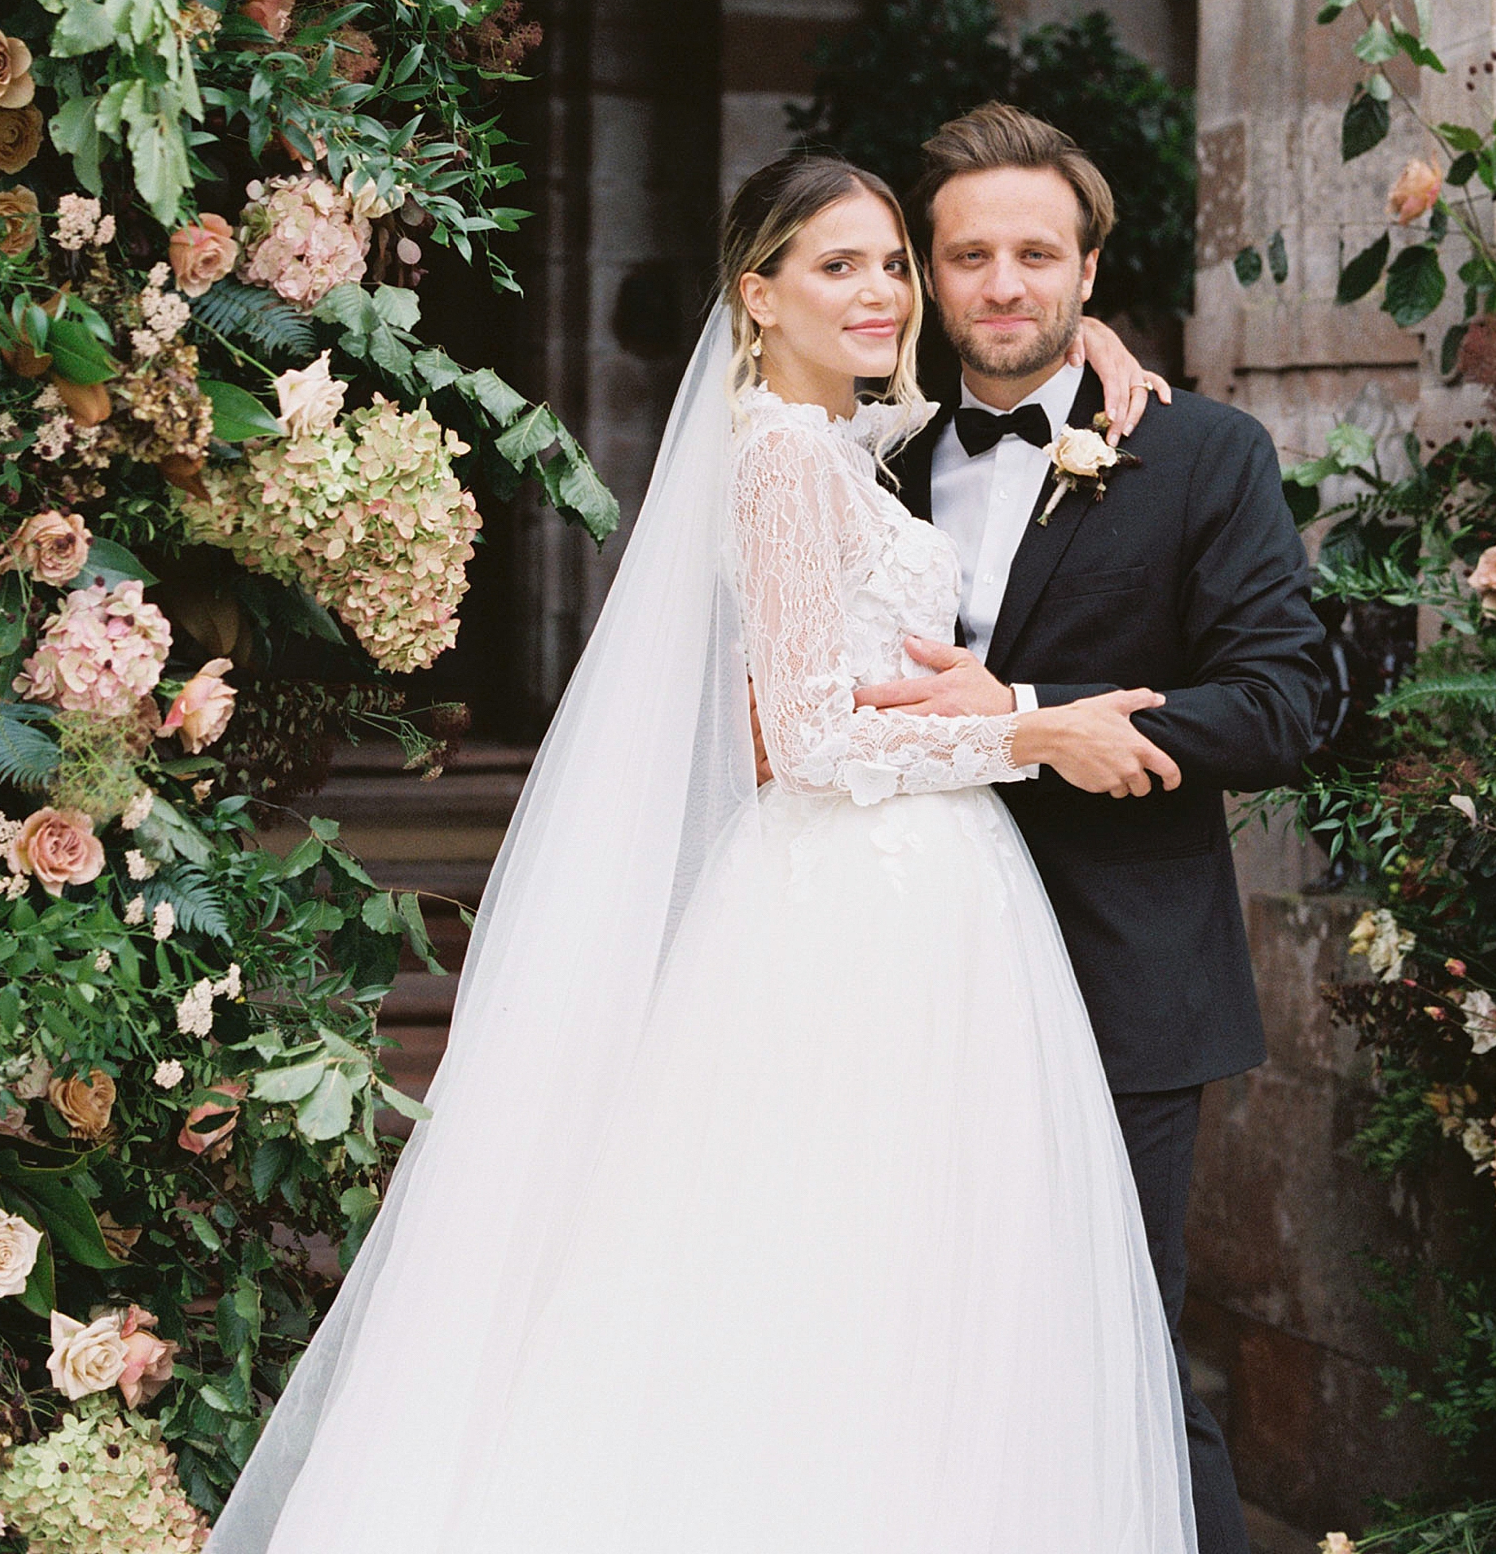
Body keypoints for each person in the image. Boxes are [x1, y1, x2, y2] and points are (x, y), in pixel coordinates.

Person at [210, 150, 1202, 1554]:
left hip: (929, 900)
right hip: (850, 906)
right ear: (757, 293)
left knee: (911, 1285)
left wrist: (1084, 336)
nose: (881, 292)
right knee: (833, 1272)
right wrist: (1041, 736)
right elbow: (805, 736)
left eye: (889, 265)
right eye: (835, 266)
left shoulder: (848, 442)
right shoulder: (783, 457)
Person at [862, 102, 1329, 1554]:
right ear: (928, 278)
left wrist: (1036, 709)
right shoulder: (865, 464)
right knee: (921, 1343)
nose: (1003, 285)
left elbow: (1286, 701)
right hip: (900, 968)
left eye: (1035, 253)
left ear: (1087, 268)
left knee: (1115, 1337)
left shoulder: (1200, 454)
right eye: (969, 255)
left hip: (1117, 973)